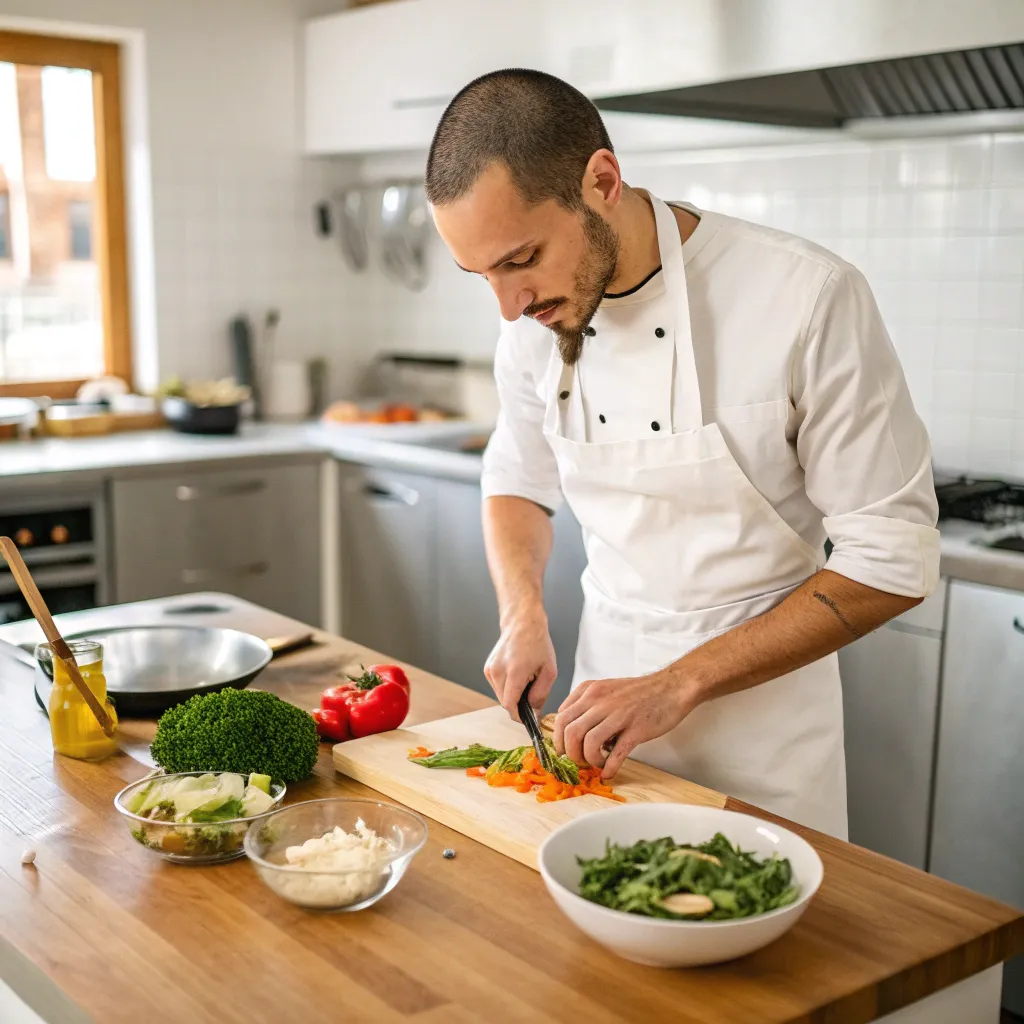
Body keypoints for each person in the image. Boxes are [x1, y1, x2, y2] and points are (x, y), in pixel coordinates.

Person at [425, 69, 939, 838]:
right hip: (599, 748)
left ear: (602, 181)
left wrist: (678, 682)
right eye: (482, 275)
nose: (509, 305)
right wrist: (521, 612)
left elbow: (892, 561)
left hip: (768, 758)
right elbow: (516, 479)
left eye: (521, 258)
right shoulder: (532, 321)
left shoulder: (806, 296)